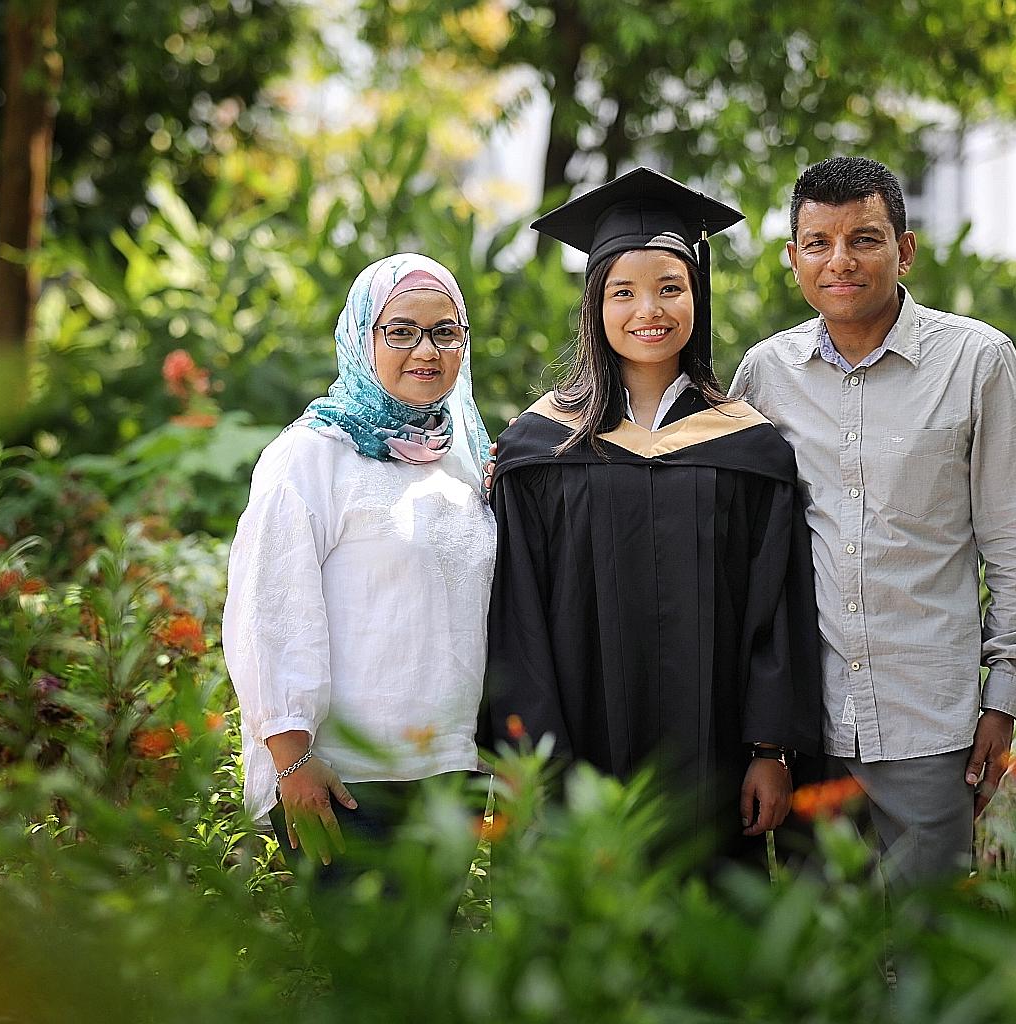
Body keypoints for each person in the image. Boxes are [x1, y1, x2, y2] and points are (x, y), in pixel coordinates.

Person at [731, 156, 1016, 887]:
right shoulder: (765, 374)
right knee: (823, 958)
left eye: (865, 239)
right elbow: (734, 541)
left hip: (929, 724)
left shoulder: (976, 361)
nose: (839, 261)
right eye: (817, 243)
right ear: (793, 259)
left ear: (904, 250)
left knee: (932, 955)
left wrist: (1002, 702)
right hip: (808, 727)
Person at [484, 168, 822, 875]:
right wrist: (531, 760)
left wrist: (769, 750)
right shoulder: (541, 449)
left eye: (671, 287)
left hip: (716, 761)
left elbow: (775, 613)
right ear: (594, 305)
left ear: (697, 294)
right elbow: (516, 616)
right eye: (623, 291)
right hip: (573, 754)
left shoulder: (749, 449)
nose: (650, 310)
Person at [222, 252, 494, 877]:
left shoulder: (463, 455)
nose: (425, 351)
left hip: (450, 771)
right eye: (401, 331)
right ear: (361, 336)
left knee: (427, 971)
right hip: (345, 778)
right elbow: (269, 609)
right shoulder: (312, 456)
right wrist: (292, 761)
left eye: (445, 332)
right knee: (370, 970)